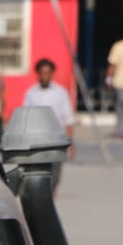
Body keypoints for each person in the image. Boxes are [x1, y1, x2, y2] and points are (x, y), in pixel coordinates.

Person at [23, 58, 75, 188]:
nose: (45, 76)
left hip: (56, 141)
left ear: (52, 74)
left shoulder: (61, 92)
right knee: (39, 176)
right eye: (42, 73)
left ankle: (50, 197)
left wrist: (70, 143)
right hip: (37, 141)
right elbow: (25, 117)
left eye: (47, 73)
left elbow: (68, 119)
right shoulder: (31, 93)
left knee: (55, 177)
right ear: (38, 74)